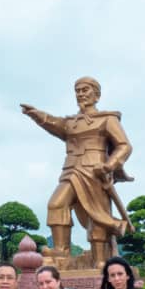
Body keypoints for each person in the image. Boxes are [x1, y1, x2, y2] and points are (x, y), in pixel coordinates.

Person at [21, 77, 134, 267]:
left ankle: (100, 260)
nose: (81, 94)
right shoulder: (71, 122)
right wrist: (36, 115)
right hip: (71, 168)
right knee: (56, 204)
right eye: (78, 91)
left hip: (95, 171)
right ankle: (61, 251)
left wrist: (109, 165)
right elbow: (54, 123)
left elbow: (124, 146)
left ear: (96, 95)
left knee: (98, 215)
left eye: (85, 90)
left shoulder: (108, 119)